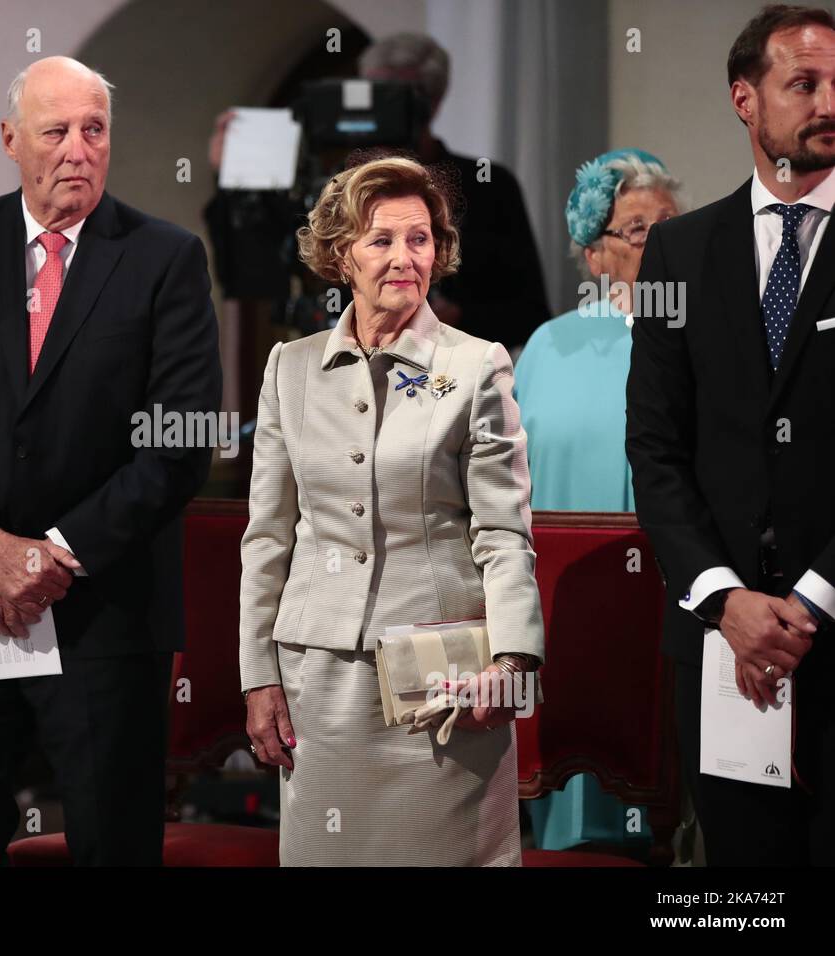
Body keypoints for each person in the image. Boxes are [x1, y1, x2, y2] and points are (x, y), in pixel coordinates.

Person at [0, 56, 222, 866]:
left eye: (94, 130)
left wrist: (53, 556)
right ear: (10, 140)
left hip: (104, 614)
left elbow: (177, 446)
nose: (77, 148)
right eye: (56, 130)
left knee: (112, 840)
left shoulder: (165, 259)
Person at [239, 152, 545, 866]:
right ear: (340, 254)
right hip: (319, 683)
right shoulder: (290, 368)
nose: (404, 257)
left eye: (420, 239)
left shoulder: (476, 366)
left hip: (440, 687)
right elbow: (267, 538)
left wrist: (513, 657)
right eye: (381, 240)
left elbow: (504, 531)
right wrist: (259, 674)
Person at [627, 4, 835, 866]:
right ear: (744, 99)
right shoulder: (678, 251)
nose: (829, 102)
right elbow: (655, 446)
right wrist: (724, 599)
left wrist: (810, 600)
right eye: (806, 83)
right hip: (720, 648)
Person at [516, 148, 685, 851]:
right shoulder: (547, 347)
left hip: (665, 590)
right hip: (559, 596)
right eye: (641, 230)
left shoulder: (697, 335)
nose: (664, 242)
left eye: (672, 226)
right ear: (595, 256)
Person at [205, 32, 551, 351]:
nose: (377, 111)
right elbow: (251, 270)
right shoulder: (334, 188)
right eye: (371, 93)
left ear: (432, 102)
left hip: (449, 379)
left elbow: (529, 315)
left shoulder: (487, 186)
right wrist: (237, 176)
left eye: (392, 98)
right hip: (340, 373)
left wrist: (455, 318)